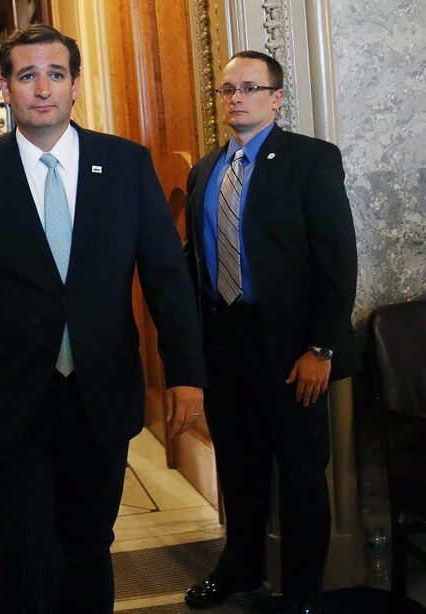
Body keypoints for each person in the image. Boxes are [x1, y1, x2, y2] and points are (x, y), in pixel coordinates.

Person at [0, 24, 206, 614]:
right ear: (6, 87)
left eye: (55, 74)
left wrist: (187, 373)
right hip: (10, 396)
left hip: (101, 393)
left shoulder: (124, 164)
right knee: (26, 550)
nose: (42, 88)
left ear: (76, 84)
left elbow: (166, 279)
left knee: (88, 545)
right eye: (27, 75)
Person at [183, 51, 357, 614]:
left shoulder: (310, 161)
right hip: (223, 339)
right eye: (226, 89)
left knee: (302, 473)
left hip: (291, 349)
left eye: (249, 88)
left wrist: (321, 347)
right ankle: (241, 571)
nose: (236, 98)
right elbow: (194, 262)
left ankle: (303, 594)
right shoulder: (205, 170)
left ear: (276, 98)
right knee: (238, 464)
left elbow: (338, 262)